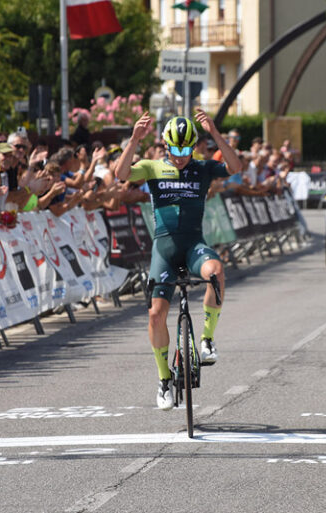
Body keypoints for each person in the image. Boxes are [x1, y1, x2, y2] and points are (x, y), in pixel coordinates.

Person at [115, 109, 242, 411]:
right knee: (155, 315)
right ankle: (163, 380)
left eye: (187, 148)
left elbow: (235, 166)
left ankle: (207, 341)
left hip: (194, 245)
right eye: (175, 148)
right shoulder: (152, 167)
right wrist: (134, 139)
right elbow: (121, 175)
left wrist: (214, 132)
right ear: (166, 145)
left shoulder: (202, 168)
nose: (181, 155)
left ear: (194, 146)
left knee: (216, 271)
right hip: (165, 250)